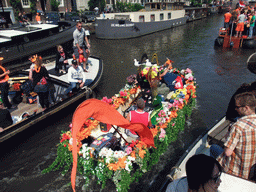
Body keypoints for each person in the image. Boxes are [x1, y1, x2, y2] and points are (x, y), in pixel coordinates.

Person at [212, 92, 256, 180]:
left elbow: (228, 152)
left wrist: (228, 136)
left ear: (246, 108)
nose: (235, 109)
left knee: (213, 148)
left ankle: (215, 176)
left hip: (236, 171)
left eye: (238, 107)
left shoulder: (238, 126)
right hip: (251, 170)